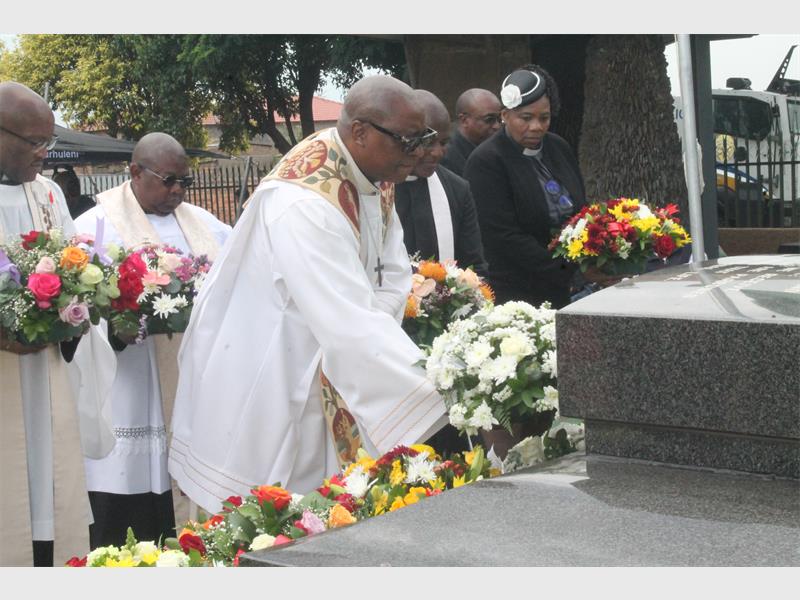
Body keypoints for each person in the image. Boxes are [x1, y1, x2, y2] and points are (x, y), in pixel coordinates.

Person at [169, 75, 448, 514]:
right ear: (360, 132)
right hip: (275, 361)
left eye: (422, 140)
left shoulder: (376, 167)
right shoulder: (303, 203)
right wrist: (441, 390)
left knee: (338, 497)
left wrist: (376, 328)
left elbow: (392, 270)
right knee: (280, 505)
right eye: (409, 141)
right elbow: (347, 321)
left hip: (338, 346)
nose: (416, 154)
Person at [75, 132, 231, 548]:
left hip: (192, 378)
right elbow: (76, 307)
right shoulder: (93, 227)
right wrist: (117, 324)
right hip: (129, 380)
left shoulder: (206, 224)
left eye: (185, 182)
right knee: (127, 491)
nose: (178, 191)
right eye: (168, 180)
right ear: (135, 173)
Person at [0, 81, 111, 566]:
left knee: (51, 493)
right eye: (34, 142)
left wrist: (76, 307)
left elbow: (73, 262)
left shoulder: (48, 193)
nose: (45, 154)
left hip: (46, 369)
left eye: (47, 141)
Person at [464, 65, 616, 309]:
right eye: (526, 118)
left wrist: (594, 253)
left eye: (544, 118)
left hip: (569, 284)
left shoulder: (558, 147)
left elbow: (579, 210)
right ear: (505, 115)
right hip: (518, 292)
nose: (536, 126)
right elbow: (505, 238)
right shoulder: (486, 161)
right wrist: (573, 270)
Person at [395, 89, 488, 276]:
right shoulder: (375, 188)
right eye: (428, 142)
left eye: (444, 142)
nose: (438, 152)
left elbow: (475, 268)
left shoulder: (457, 189)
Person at [441, 88, 502, 176]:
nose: (497, 126)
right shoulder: (446, 157)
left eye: (500, 119)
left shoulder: (499, 149)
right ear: (464, 120)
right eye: (489, 119)